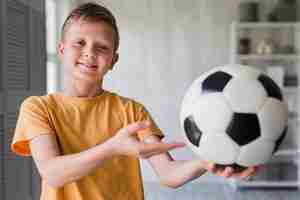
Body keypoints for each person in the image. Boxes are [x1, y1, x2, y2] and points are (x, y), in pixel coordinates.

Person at [11, 2, 260, 200]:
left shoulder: (131, 111)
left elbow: (168, 174)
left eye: (102, 47)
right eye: (80, 43)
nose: (89, 52)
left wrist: (207, 161)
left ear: (113, 60)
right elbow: (52, 173)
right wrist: (113, 147)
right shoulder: (37, 108)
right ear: (62, 49)